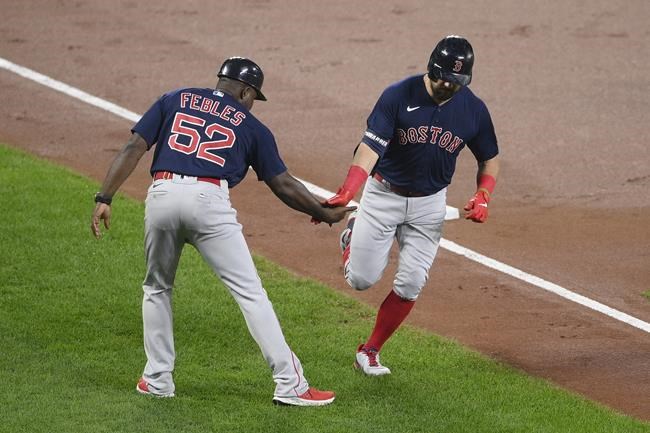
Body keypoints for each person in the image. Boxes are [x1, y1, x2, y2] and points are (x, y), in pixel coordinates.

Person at [90, 57, 354, 405]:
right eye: (253, 97)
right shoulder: (252, 126)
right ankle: (290, 384)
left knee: (156, 287)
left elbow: (133, 147)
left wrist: (105, 196)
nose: (251, 103)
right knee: (250, 293)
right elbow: (283, 185)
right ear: (246, 90)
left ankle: (157, 380)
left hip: (162, 195)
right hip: (208, 201)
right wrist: (323, 212)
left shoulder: (175, 98)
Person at [324, 36, 500, 375]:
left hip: (430, 205)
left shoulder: (473, 110)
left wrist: (483, 194)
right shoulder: (397, 96)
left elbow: (490, 159)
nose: (449, 86)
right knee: (360, 280)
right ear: (431, 68)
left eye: (457, 81)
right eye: (443, 78)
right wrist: (348, 190)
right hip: (383, 196)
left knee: (412, 283)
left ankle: (370, 350)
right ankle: (353, 232)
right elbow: (369, 148)